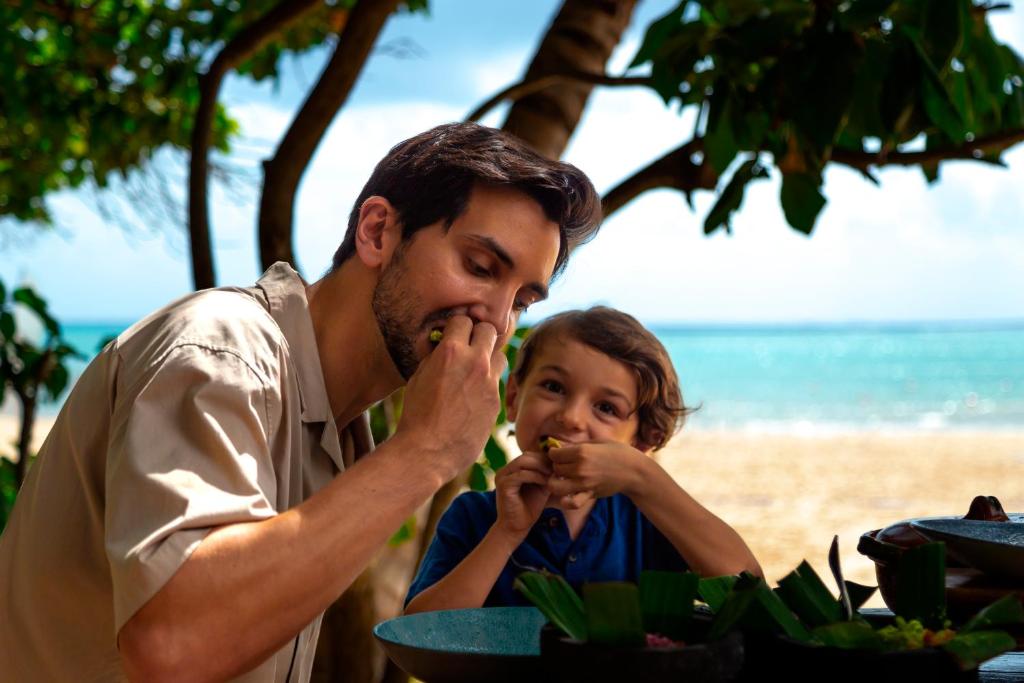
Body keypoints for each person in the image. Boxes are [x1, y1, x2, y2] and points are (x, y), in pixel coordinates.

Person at [0, 122, 601, 682]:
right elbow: (172, 645)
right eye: (478, 266)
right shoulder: (222, 348)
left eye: (522, 300)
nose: (495, 321)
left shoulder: (339, 427)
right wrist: (426, 451)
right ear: (377, 232)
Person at [404, 307, 761, 613]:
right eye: (554, 387)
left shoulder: (647, 521)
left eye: (606, 408)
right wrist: (506, 534)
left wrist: (644, 479)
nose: (572, 417)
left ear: (641, 441)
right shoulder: (473, 517)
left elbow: (748, 594)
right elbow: (417, 636)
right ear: (514, 396)